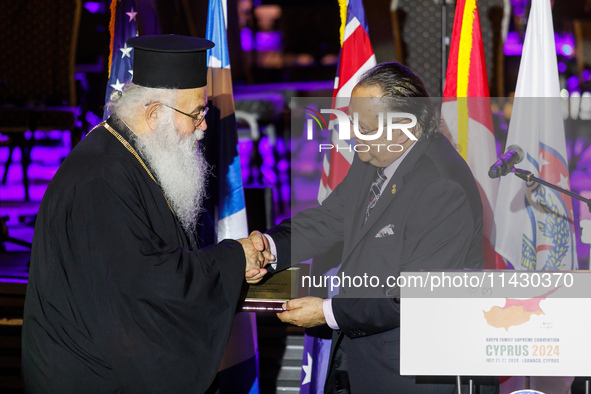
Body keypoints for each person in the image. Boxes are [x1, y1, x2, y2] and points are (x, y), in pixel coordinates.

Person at [21, 35, 272, 393]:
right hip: (88, 377)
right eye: (197, 113)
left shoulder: (129, 155)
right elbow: (150, 285)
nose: (203, 126)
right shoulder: (100, 178)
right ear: (154, 114)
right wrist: (236, 256)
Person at [267, 62, 484, 393]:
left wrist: (327, 312)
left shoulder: (442, 187)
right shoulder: (375, 155)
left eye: (364, 128)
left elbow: (412, 295)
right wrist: (269, 247)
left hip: (411, 376)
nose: (353, 135)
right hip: (361, 358)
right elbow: (331, 219)